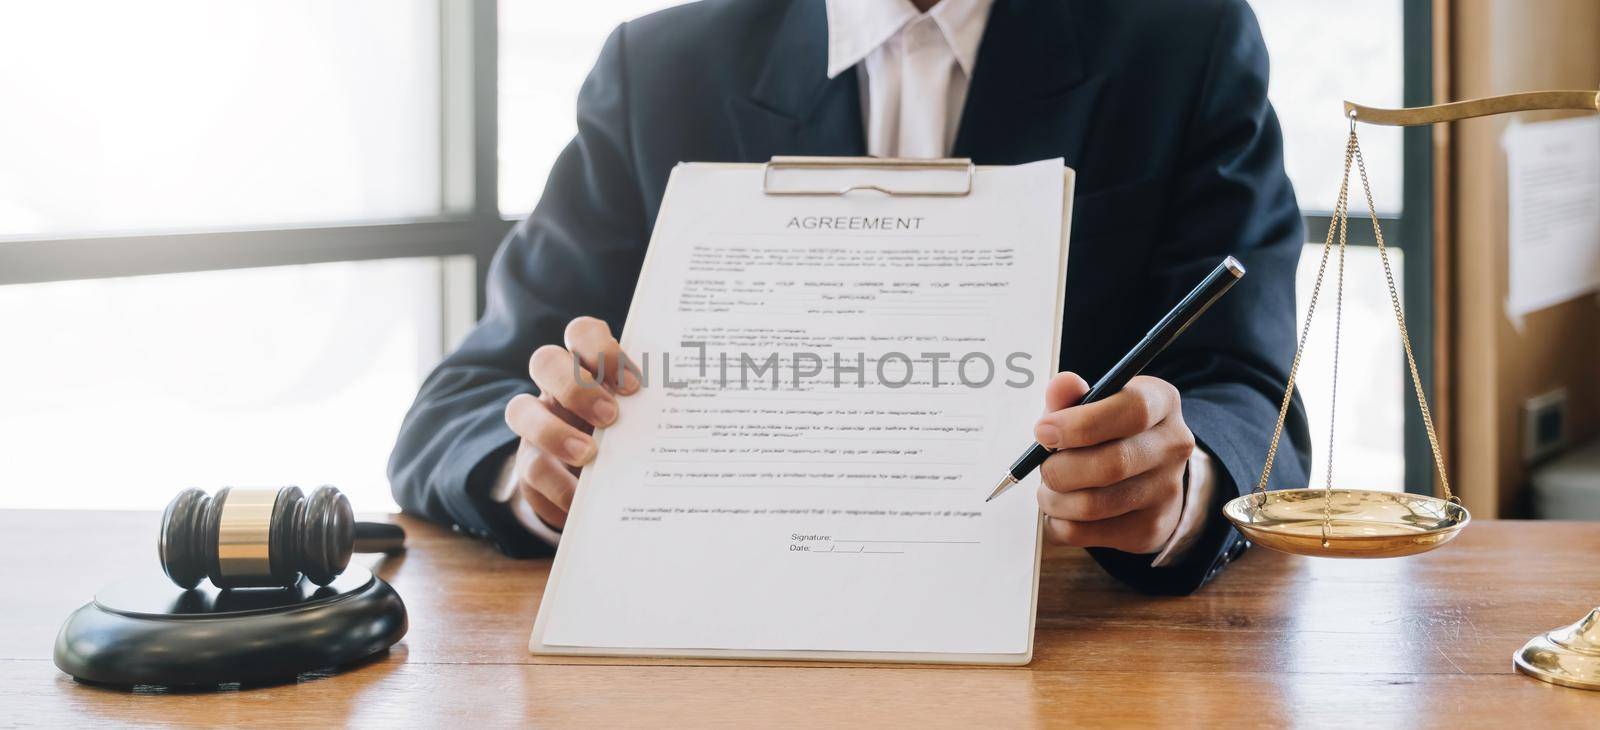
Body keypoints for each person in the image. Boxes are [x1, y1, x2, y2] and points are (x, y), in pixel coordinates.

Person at [389, 0, 1311, 595]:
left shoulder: (1184, 41)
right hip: (711, 637)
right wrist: (536, 474)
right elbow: (463, 402)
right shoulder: (661, 68)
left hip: (1063, 637)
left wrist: (1178, 487)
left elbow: (1247, 392)